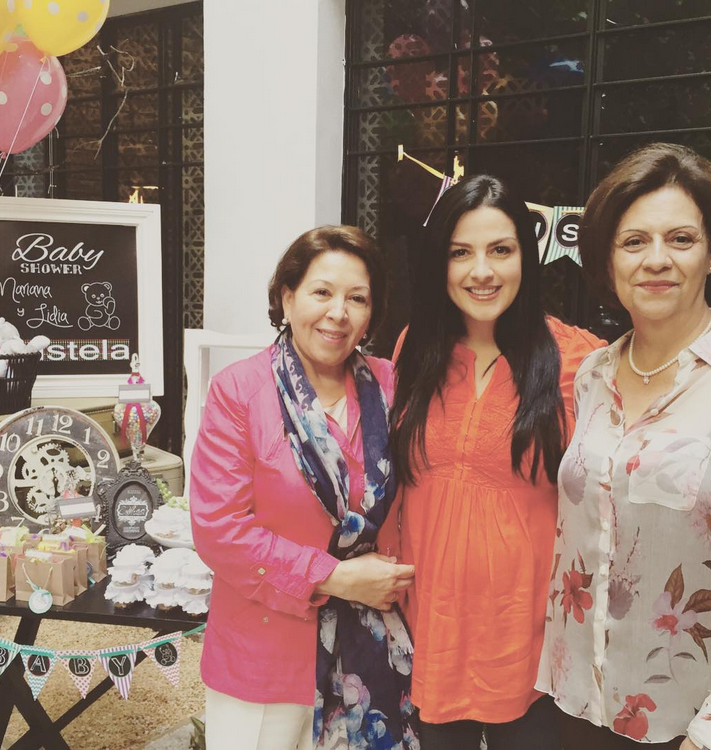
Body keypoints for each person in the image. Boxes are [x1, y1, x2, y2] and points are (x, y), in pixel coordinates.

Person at [537, 142, 711, 750]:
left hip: (689, 723)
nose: (657, 259)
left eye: (681, 239)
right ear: (608, 261)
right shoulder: (593, 374)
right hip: (574, 701)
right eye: (633, 242)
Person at [384, 174, 603, 749]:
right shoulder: (414, 349)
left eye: (500, 250)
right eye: (461, 253)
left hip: (529, 647)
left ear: (527, 256)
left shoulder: (580, 361)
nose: (481, 271)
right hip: (432, 634)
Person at [190, 225, 419, 750]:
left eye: (357, 298)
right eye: (322, 292)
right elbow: (219, 529)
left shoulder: (393, 386)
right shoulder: (240, 391)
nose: (338, 312)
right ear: (288, 297)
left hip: (375, 652)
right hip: (264, 653)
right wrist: (337, 578)